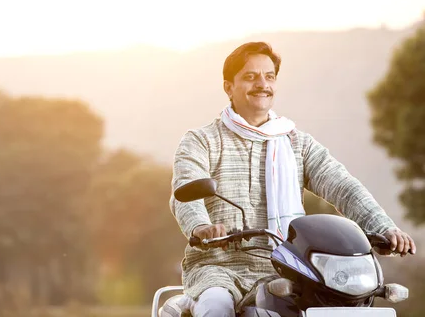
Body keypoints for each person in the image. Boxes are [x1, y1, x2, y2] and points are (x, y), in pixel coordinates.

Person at [169, 41, 417, 317]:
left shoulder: (297, 142)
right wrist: (201, 227)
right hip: (219, 267)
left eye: (269, 76)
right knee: (216, 306)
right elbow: (185, 189)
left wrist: (384, 227)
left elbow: (344, 187)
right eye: (250, 76)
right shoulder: (202, 141)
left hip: (293, 267)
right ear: (229, 87)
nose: (262, 84)